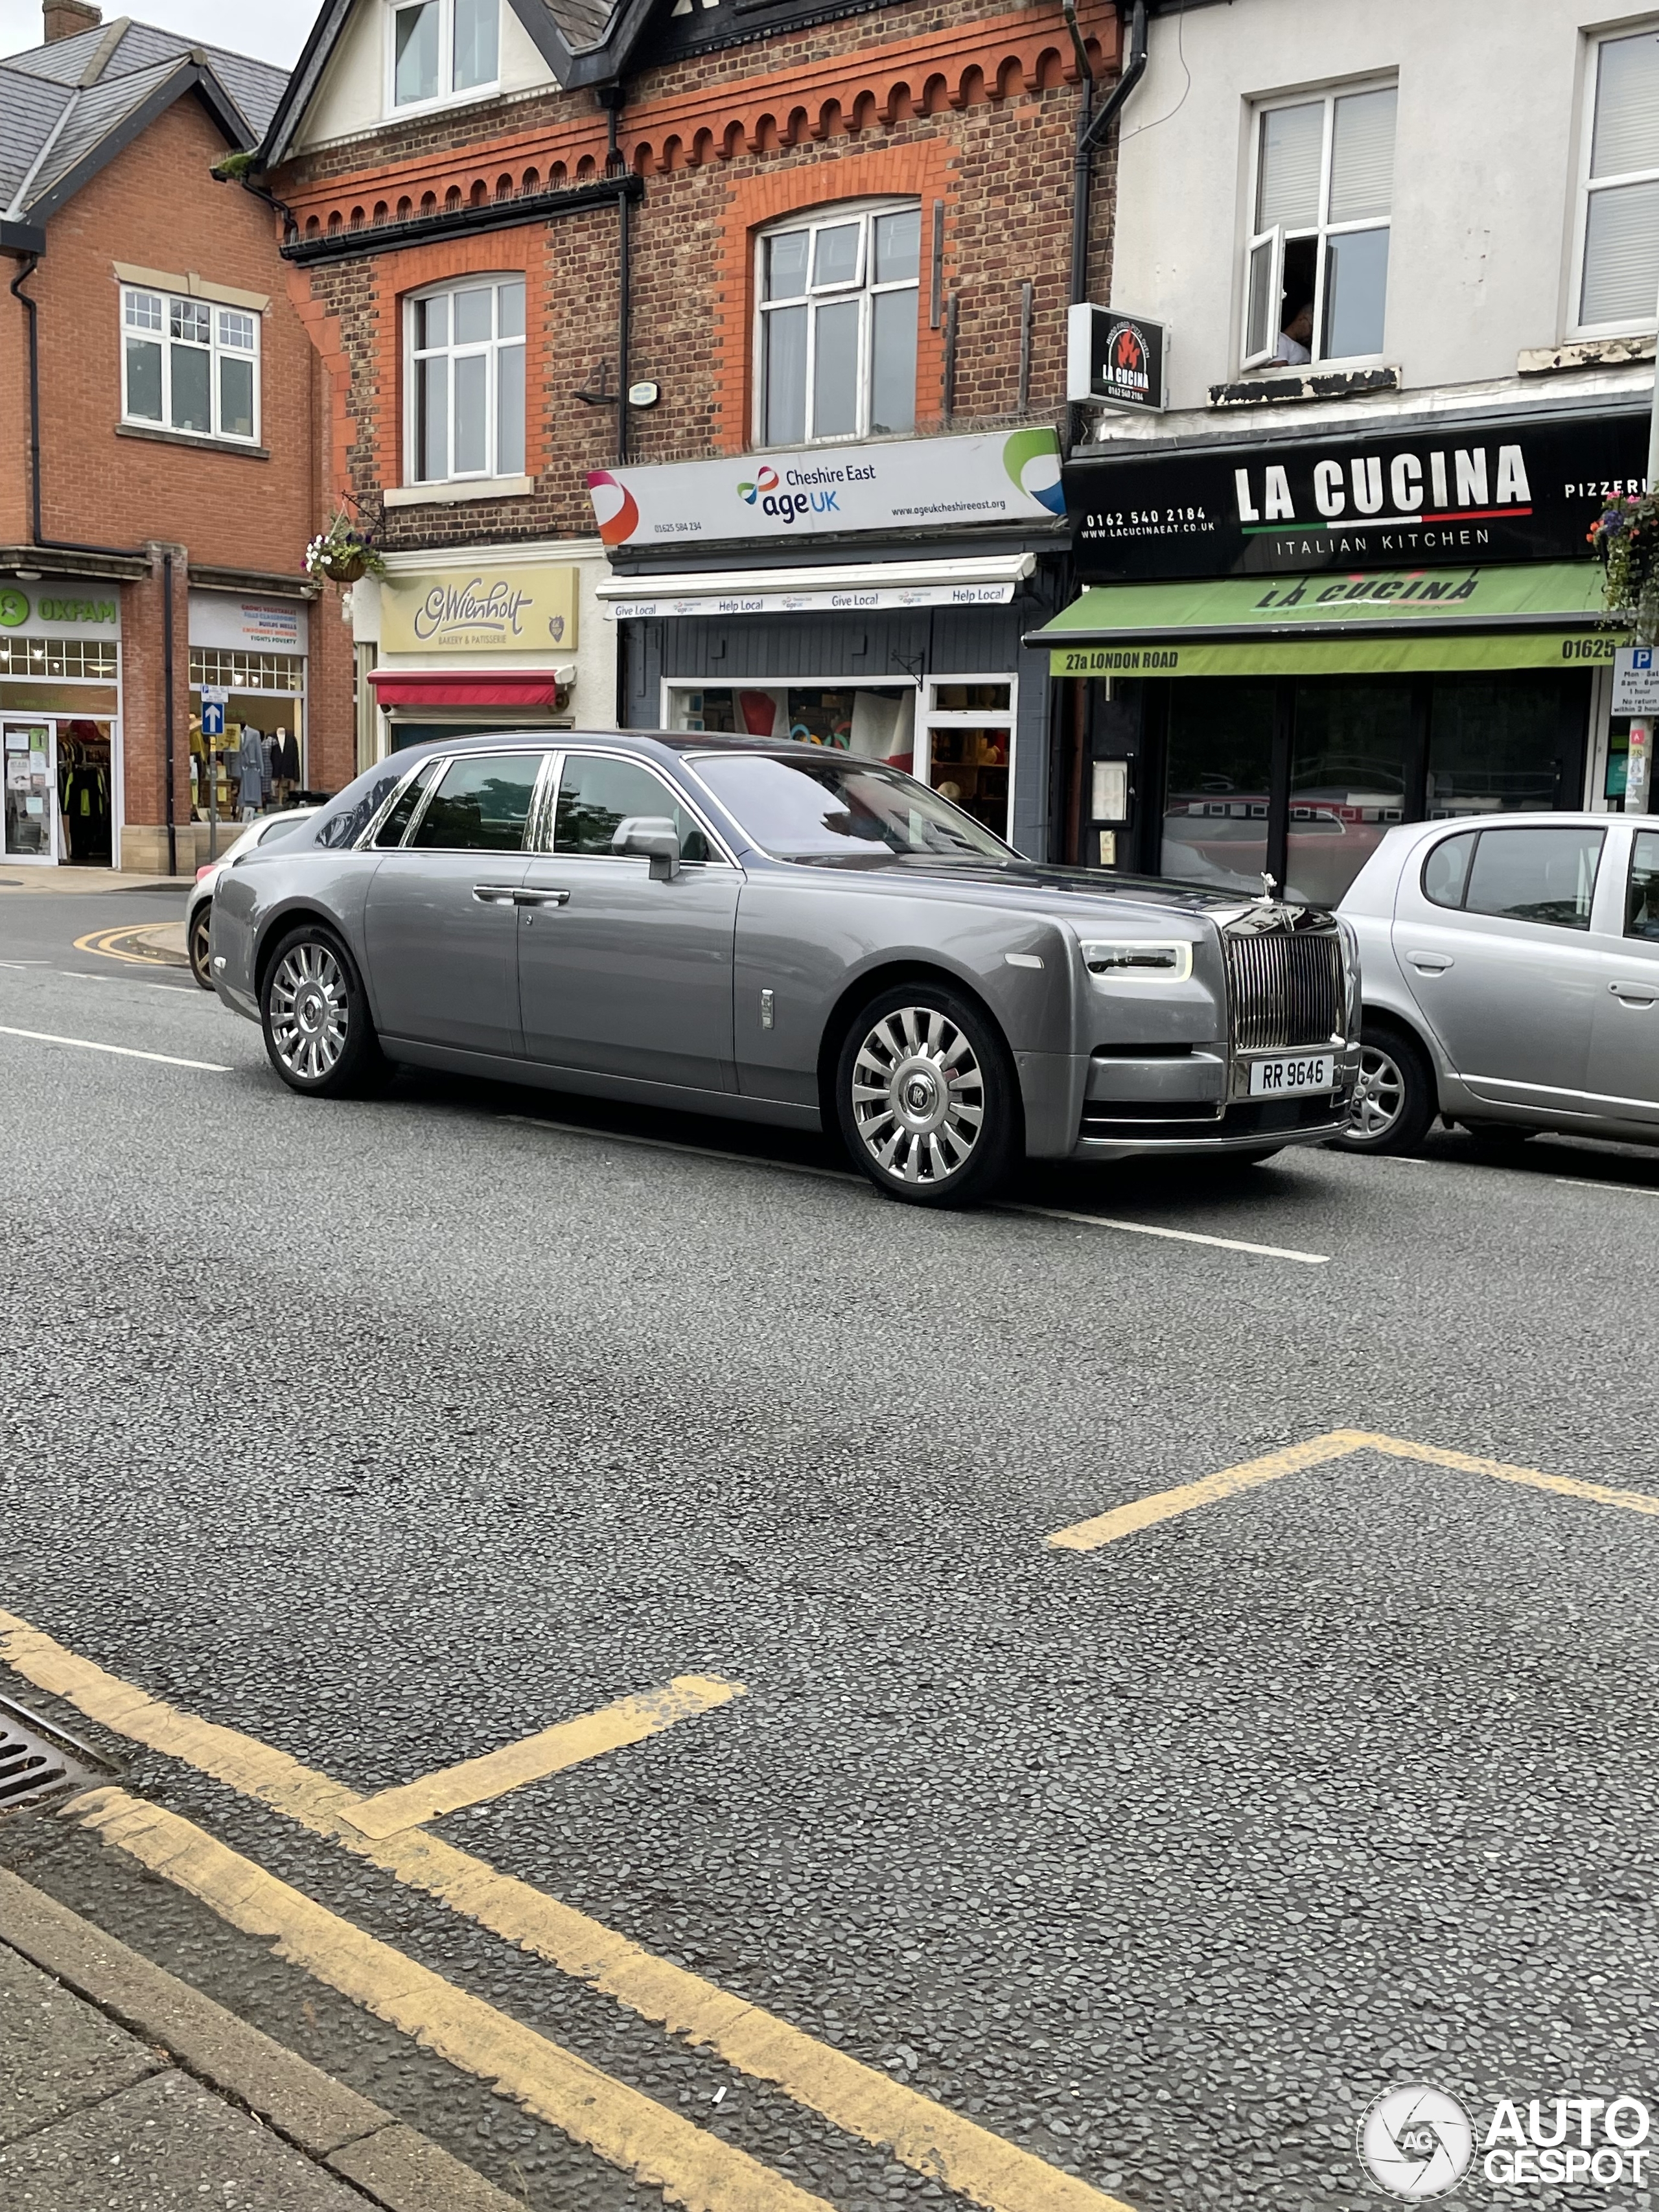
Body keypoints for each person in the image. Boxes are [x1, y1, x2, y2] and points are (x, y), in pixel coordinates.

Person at [1275, 298, 1314, 365]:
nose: (1311, 334)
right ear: (1302, 320)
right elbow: (1278, 369)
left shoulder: (1301, 347)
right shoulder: (1281, 339)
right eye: (1311, 328)